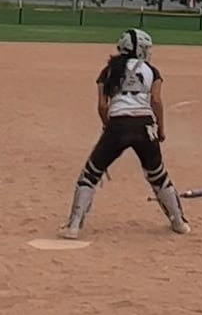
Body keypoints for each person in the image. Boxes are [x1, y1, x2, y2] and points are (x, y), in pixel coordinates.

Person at [63, 29, 190, 239]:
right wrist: (160, 128)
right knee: (158, 175)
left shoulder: (109, 71)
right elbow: (156, 101)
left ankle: (74, 226)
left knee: (91, 174)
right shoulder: (151, 70)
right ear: (139, 49)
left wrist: (108, 128)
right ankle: (178, 222)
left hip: (118, 124)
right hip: (144, 126)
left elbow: (102, 106)